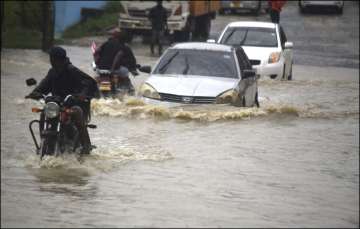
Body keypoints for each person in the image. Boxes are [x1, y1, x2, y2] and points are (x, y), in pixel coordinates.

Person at [25, 46, 99, 154]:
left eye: (53, 58)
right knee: (43, 113)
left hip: (73, 103)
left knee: (77, 112)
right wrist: (35, 93)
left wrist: (81, 95)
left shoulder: (72, 70)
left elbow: (90, 82)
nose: (51, 61)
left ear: (58, 59)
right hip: (56, 104)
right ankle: (43, 143)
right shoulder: (53, 72)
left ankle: (86, 146)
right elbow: (44, 85)